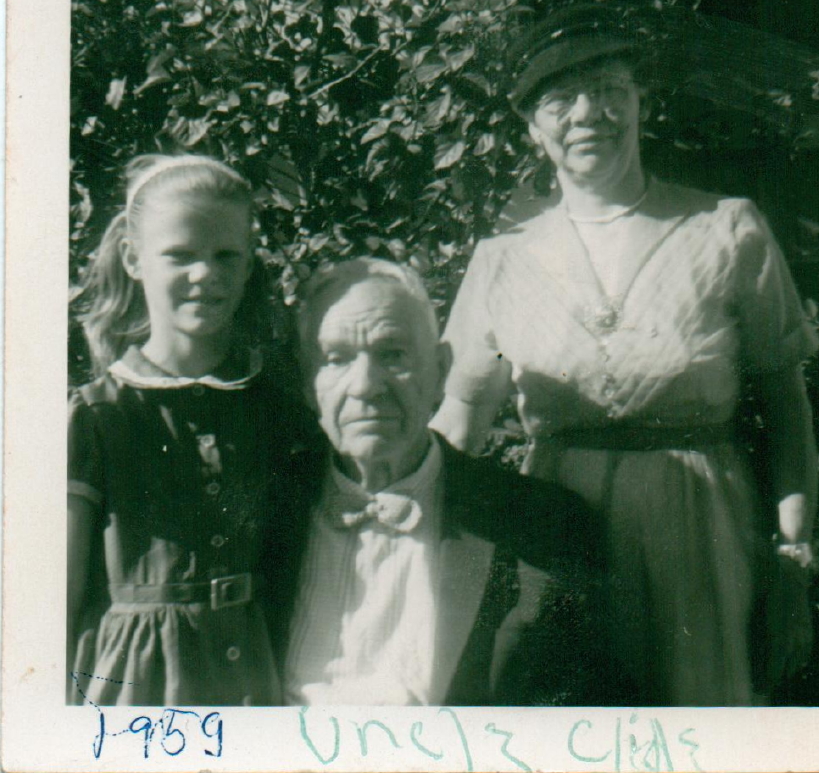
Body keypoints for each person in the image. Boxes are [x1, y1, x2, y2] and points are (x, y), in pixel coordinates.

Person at [432, 5, 819, 706]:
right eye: (560, 99)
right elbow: (460, 421)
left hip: (702, 541)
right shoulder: (502, 261)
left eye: (609, 88)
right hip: (558, 548)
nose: (588, 113)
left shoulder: (725, 231)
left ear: (641, 100)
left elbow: (787, 408)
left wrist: (793, 554)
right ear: (531, 126)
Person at [273, 257, 617, 706]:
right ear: (307, 383)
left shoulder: (540, 523)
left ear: (440, 370)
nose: (366, 386)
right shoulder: (268, 511)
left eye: (393, 355)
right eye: (336, 359)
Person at [67, 153, 300, 706]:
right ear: (134, 258)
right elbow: (57, 598)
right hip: (138, 685)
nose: (205, 274)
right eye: (180, 255)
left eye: (225, 255)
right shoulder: (99, 415)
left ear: (248, 263)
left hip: (256, 677)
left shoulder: (278, 407)